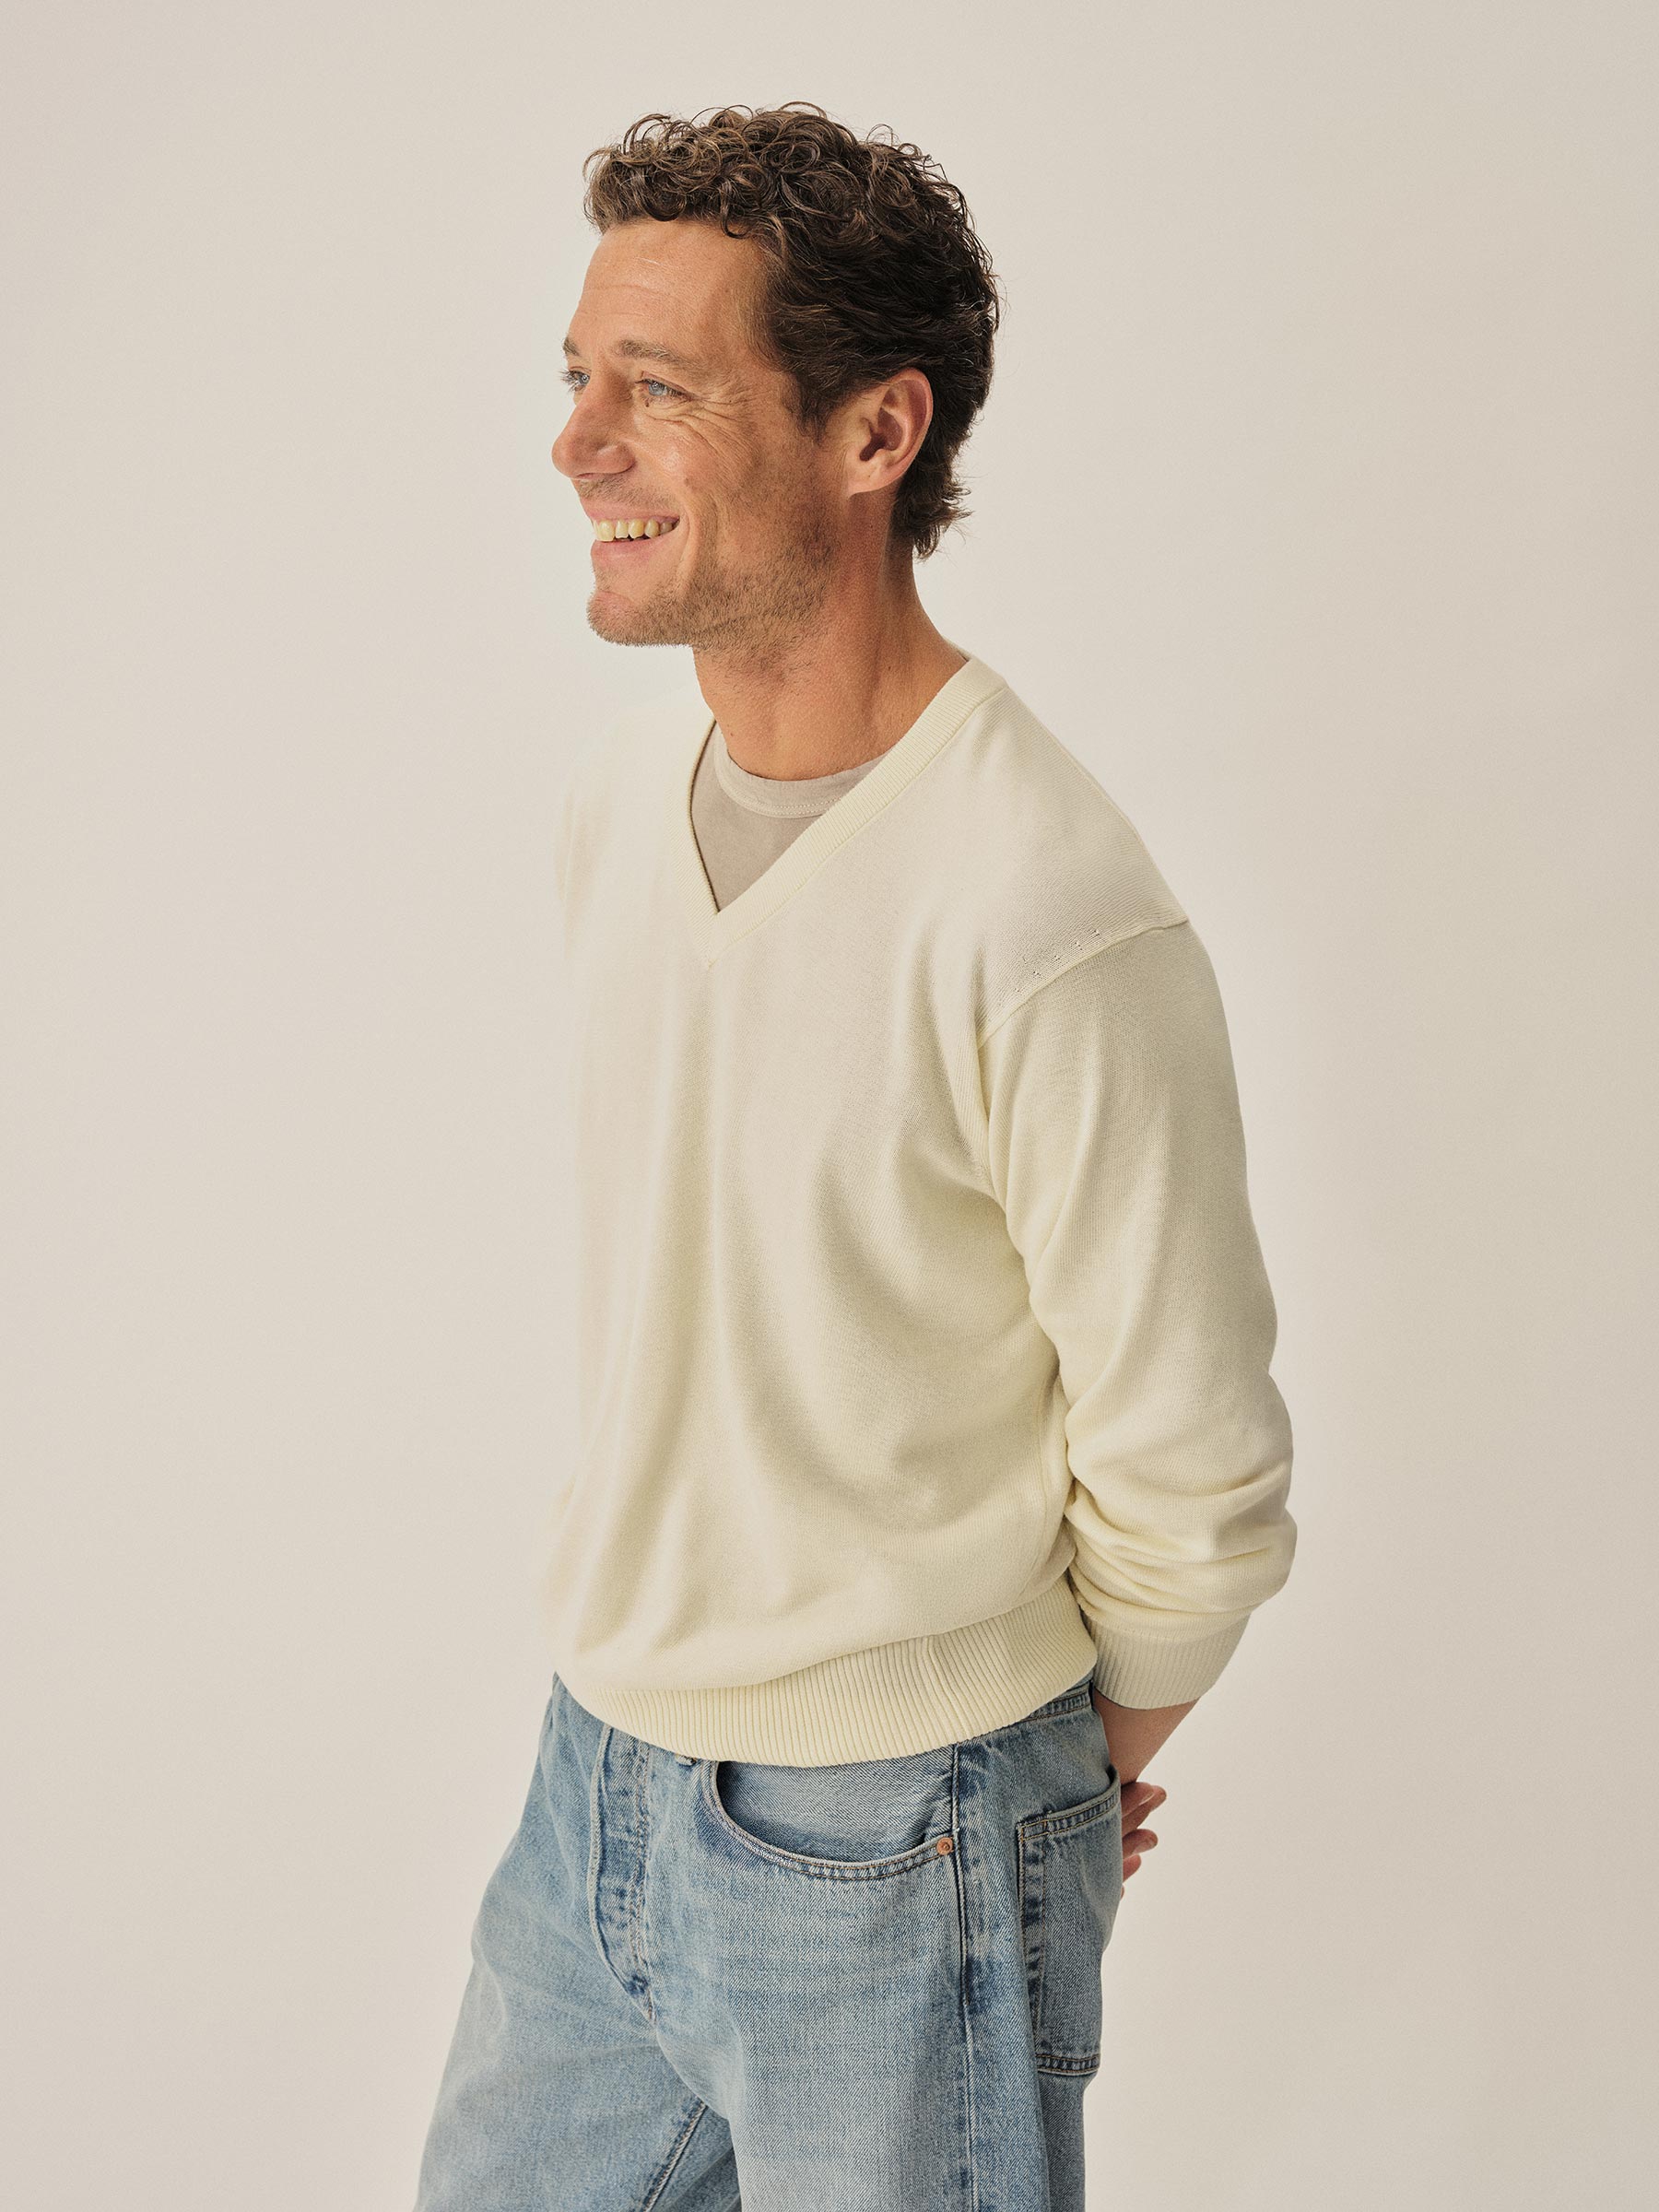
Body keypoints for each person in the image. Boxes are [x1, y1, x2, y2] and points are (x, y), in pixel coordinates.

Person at [414, 100, 1296, 2212]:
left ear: (874, 432)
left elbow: (1198, 1477)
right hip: (592, 1786)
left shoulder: (1047, 910)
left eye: (658, 389)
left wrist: (1032, 1795)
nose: (577, 444)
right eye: (577, 377)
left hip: (901, 1839)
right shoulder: (619, 815)